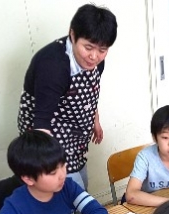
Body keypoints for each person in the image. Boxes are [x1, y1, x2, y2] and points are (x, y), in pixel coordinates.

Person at [17, 4, 118, 190]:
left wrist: (94, 119)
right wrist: (52, 168)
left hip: (75, 135)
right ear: (72, 35)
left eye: (102, 50)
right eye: (88, 47)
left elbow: (90, 91)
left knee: (81, 187)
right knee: (71, 197)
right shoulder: (53, 65)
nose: (94, 56)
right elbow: (41, 125)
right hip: (47, 135)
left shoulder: (96, 61)